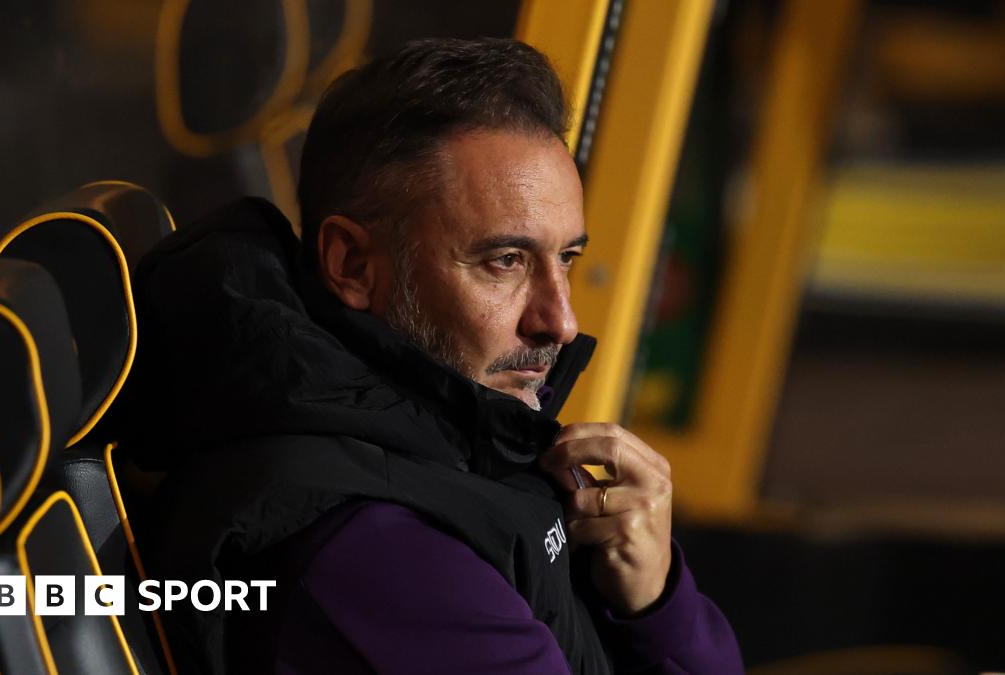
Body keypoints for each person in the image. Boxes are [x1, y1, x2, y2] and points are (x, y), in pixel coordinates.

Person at [121, 38, 743, 674]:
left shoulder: (455, 447)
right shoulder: (387, 556)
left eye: (567, 259)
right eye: (505, 261)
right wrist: (668, 629)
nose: (561, 321)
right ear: (353, 265)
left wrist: (654, 601)